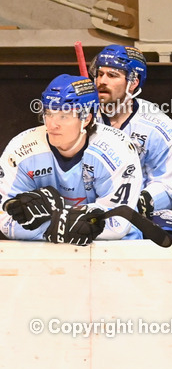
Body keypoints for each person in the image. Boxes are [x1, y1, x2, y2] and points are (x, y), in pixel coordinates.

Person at [0, 75, 142, 244]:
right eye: (49, 113)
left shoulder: (117, 151)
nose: (52, 125)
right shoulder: (20, 149)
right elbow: (5, 220)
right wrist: (66, 226)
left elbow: (118, 225)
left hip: (113, 251)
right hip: (44, 252)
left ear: (86, 118)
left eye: (64, 116)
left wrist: (51, 223)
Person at [91, 44, 172, 236]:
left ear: (133, 83)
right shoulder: (81, 118)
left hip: (139, 211)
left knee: (170, 230)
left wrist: (141, 202)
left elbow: (169, 185)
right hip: (90, 205)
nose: (102, 81)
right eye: (100, 74)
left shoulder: (159, 126)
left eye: (112, 75)